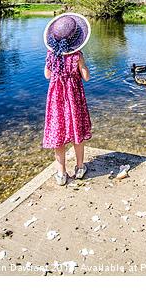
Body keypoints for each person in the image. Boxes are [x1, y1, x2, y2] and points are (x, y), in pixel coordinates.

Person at [42, 13, 92, 185]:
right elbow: (86, 77)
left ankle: (61, 174)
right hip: (74, 98)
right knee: (77, 132)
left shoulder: (51, 55)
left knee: (58, 133)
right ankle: (79, 168)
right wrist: (83, 66)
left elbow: (47, 75)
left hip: (57, 99)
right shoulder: (77, 55)